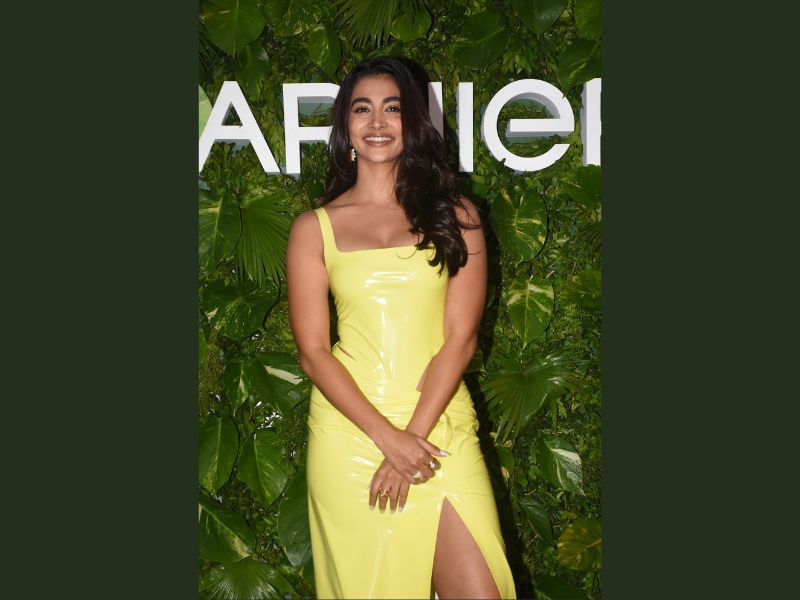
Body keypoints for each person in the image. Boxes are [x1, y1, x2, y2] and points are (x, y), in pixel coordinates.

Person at [286, 56, 516, 599]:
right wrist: (387, 438)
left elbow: (460, 339)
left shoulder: (457, 214)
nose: (377, 122)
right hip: (352, 434)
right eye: (362, 109)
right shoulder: (313, 228)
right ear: (345, 126)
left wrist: (412, 438)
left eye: (392, 108)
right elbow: (314, 352)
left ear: (413, 121)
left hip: (439, 425)